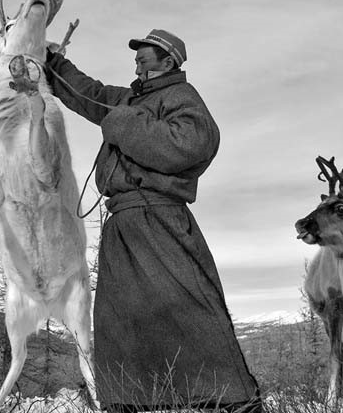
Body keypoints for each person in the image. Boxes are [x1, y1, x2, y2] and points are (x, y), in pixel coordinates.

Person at [44, 29, 262, 413]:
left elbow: (190, 145)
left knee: (190, 306)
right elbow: (88, 93)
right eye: (137, 57)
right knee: (119, 320)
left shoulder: (182, 98)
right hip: (124, 223)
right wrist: (51, 62)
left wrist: (123, 123)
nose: (138, 61)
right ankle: (128, 401)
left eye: (146, 56)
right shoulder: (129, 99)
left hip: (160, 216)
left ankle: (231, 400)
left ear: (169, 61)